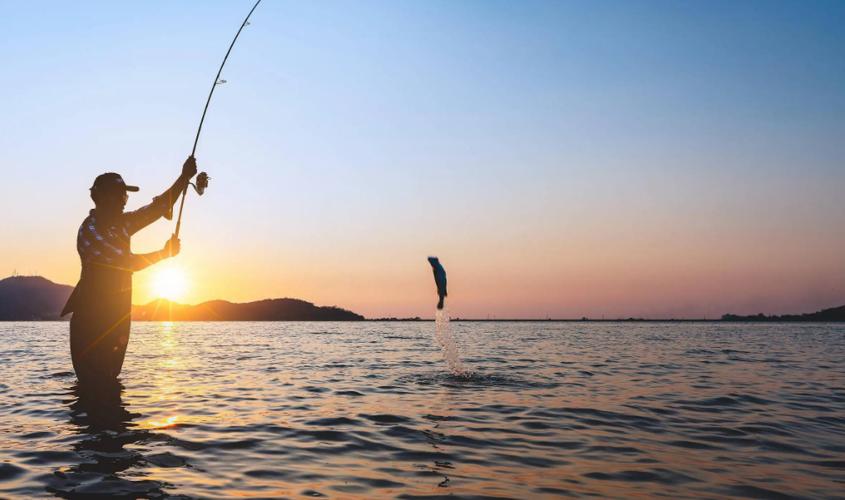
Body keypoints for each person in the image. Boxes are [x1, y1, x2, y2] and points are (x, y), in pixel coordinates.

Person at [61, 156, 198, 383]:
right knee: (93, 384)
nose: (125, 201)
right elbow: (123, 263)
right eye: (120, 195)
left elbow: (158, 207)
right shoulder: (90, 231)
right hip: (91, 321)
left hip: (118, 318)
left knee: (109, 383)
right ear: (102, 198)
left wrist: (184, 178)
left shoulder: (123, 223)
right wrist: (164, 254)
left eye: (125, 195)